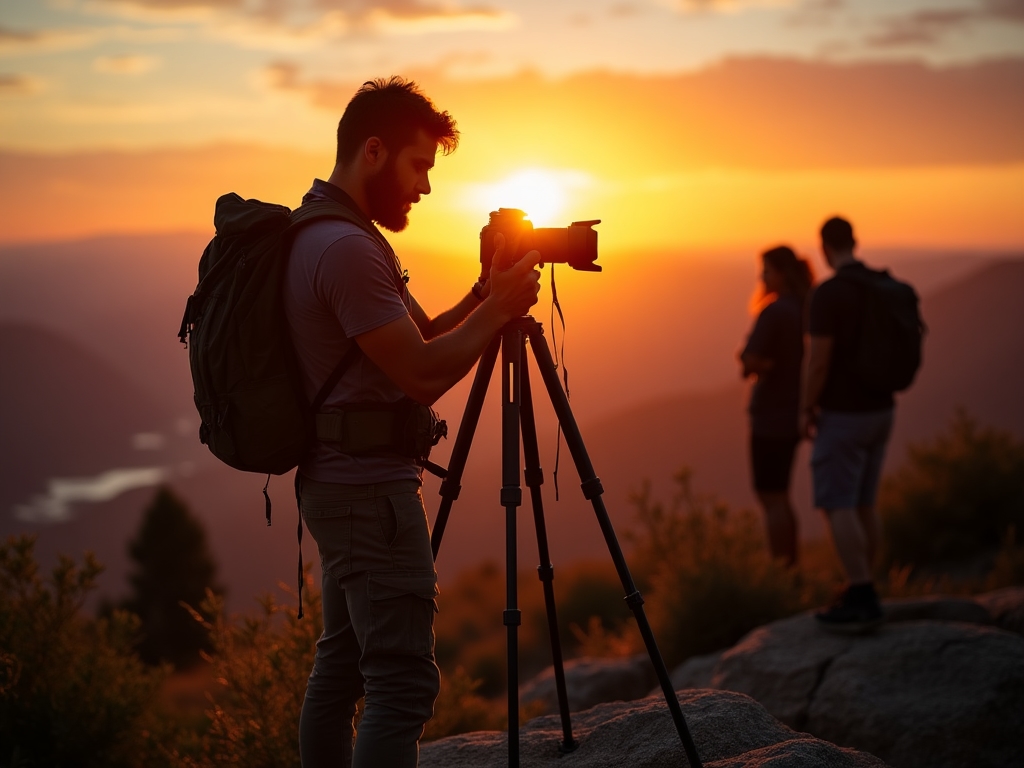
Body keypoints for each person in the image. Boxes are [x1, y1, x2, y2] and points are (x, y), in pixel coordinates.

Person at [283, 77, 544, 768]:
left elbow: (420, 339)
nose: (426, 187)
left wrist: (484, 293)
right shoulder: (346, 249)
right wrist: (500, 310)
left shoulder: (324, 229)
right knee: (400, 685)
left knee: (341, 668)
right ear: (373, 151)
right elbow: (423, 375)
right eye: (419, 165)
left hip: (339, 486)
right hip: (368, 495)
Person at [800, 216, 891, 632]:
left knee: (838, 503)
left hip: (844, 414)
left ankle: (861, 592)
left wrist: (806, 407)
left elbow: (818, 361)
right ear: (855, 241)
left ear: (824, 247)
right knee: (864, 502)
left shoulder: (829, 293)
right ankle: (867, 584)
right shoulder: (880, 285)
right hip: (882, 409)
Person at [740, 246, 814, 567]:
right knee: (782, 496)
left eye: (766, 271)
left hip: (770, 417)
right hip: (795, 413)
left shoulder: (774, 311)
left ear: (782, 274)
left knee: (770, 498)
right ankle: (792, 567)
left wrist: (757, 364)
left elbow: (750, 358)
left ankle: (781, 571)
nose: (762, 277)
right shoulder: (806, 307)